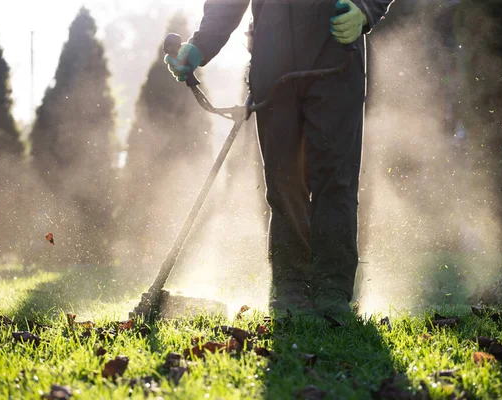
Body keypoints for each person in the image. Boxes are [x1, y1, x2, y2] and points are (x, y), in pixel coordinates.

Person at [165, 0, 393, 317]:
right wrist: (200, 45)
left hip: (336, 56)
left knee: (335, 178)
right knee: (283, 180)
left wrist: (366, 9)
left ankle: (332, 290)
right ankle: (290, 287)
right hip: (273, 64)